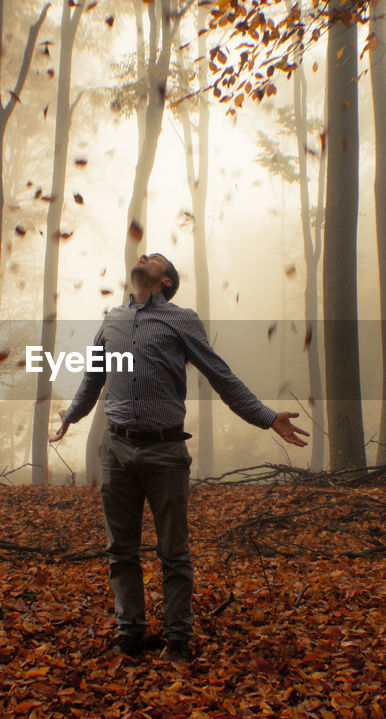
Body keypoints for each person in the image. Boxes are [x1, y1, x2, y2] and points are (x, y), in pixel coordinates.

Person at [50, 252, 309, 662]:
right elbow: (93, 378)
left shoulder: (180, 318)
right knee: (121, 551)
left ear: (166, 280)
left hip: (165, 450)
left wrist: (265, 417)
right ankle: (130, 634)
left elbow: (221, 375)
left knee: (173, 553)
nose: (143, 256)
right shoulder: (112, 319)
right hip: (116, 450)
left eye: (154, 258)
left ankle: (178, 642)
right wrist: (71, 416)